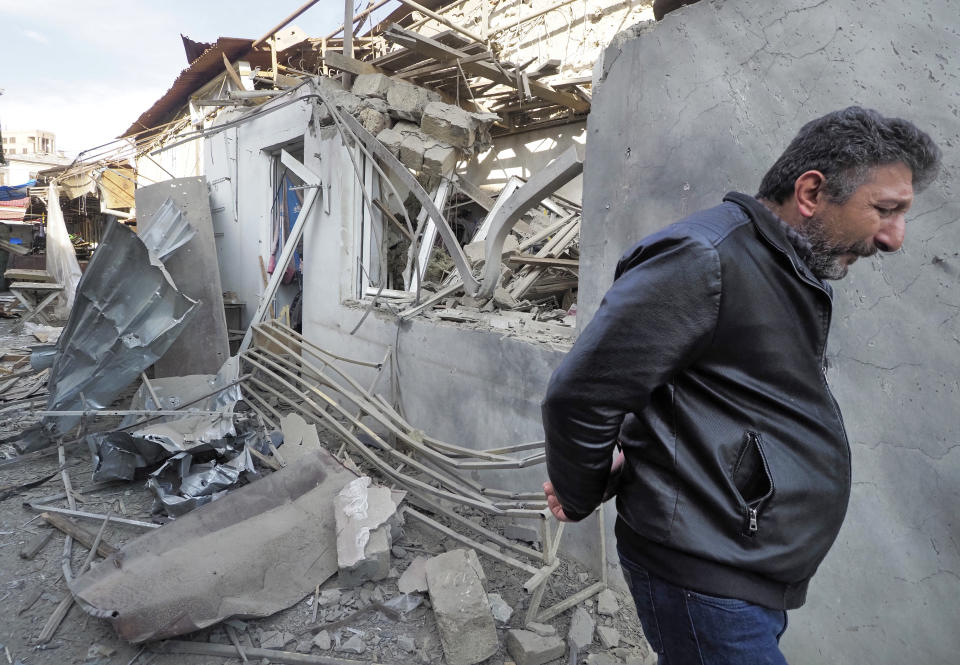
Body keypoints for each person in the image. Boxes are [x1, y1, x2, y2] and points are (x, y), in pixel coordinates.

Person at [540, 107, 941, 664]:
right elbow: (584, 393)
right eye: (885, 210)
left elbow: (703, 393)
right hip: (704, 574)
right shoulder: (704, 258)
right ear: (810, 192)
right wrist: (581, 490)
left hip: (740, 567)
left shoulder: (784, 265)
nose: (895, 238)